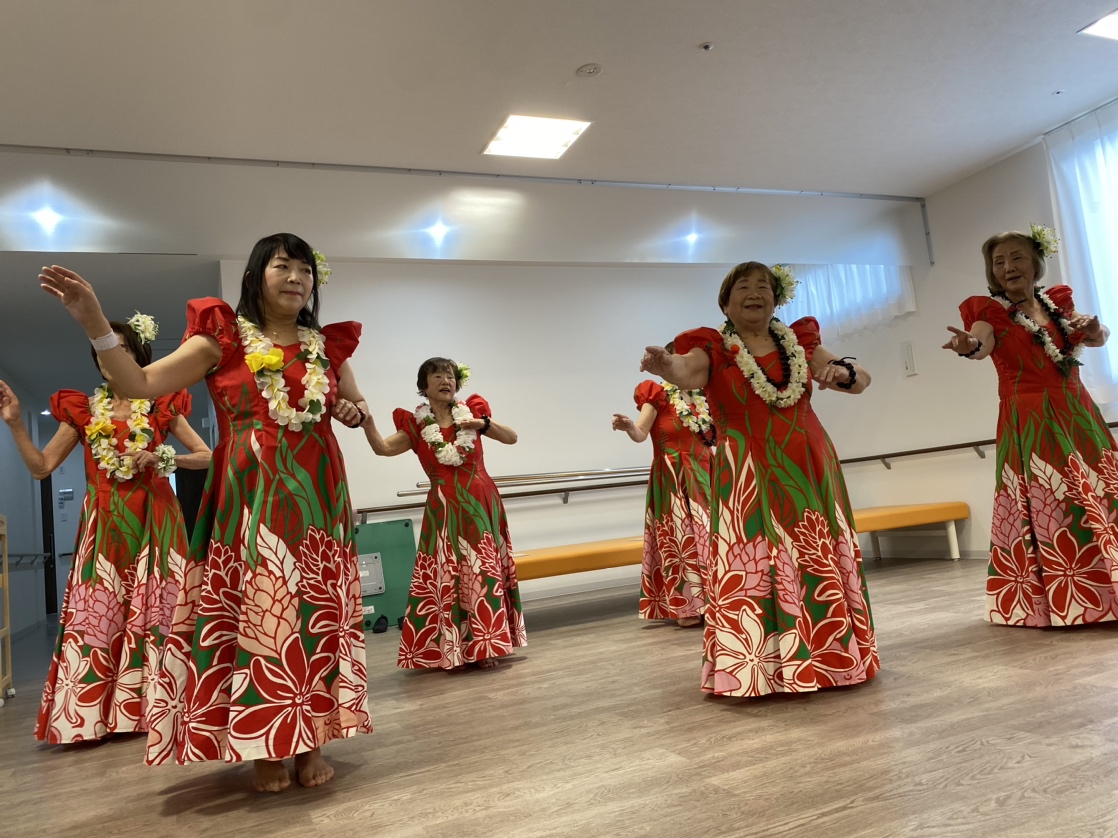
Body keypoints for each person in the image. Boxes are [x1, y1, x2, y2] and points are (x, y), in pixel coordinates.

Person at [38, 233, 373, 792]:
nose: (295, 278)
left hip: (319, 493)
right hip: (251, 493)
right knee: (260, 613)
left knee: (314, 612)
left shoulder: (325, 348)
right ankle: (264, 744)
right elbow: (139, 383)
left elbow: (356, 405)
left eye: (305, 270)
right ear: (254, 276)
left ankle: (311, 738)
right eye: (282, 266)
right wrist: (95, 322)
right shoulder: (222, 339)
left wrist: (350, 409)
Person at [641, 262, 879, 697]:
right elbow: (687, 371)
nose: (755, 293)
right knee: (752, 559)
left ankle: (832, 658)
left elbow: (859, 378)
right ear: (726, 302)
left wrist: (844, 372)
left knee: (814, 552)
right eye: (744, 287)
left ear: (776, 298)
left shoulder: (801, 343)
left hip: (808, 461)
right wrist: (666, 365)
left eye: (764, 287)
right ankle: (759, 668)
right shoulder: (713, 348)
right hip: (745, 466)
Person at [0, 314, 210, 744]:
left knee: (161, 613)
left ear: (137, 357)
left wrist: (165, 459)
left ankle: (165, 706)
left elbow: (207, 455)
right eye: (103, 351)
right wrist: (16, 423)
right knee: (100, 615)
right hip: (105, 527)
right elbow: (41, 468)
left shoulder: (162, 405)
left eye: (123, 350)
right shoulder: (80, 412)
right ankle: (95, 716)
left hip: (157, 522)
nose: (111, 358)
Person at [944, 225, 1118, 627]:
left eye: (1017, 257)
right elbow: (980, 341)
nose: (1008, 266)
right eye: (999, 261)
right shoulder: (989, 311)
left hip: (1077, 410)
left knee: (1100, 491)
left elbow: (1095, 334)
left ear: (1036, 262)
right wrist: (967, 346)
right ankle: (1068, 598)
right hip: (1030, 417)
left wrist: (1095, 330)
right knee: (1050, 497)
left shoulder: (1055, 304)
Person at [337, 359, 526, 670]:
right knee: (448, 575)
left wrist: (486, 425)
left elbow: (512, 437)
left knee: (482, 572)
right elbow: (383, 448)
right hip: (444, 505)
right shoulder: (416, 425)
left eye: (450, 376)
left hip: (480, 500)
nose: (445, 380)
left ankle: (488, 645)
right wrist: (368, 422)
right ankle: (453, 649)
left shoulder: (473, 414)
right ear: (423, 386)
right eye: (437, 375)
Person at [612, 357, 714, 627]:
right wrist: (628, 427)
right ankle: (687, 606)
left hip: (707, 472)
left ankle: (719, 601)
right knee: (680, 539)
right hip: (672, 474)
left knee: (712, 535)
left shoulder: (702, 396)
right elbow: (641, 432)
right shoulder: (656, 394)